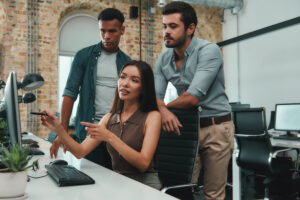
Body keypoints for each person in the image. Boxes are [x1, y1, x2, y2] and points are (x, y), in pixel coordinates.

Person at [154, 2, 234, 199]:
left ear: (190, 28)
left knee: (213, 193)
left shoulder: (209, 51)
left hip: (216, 126)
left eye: (173, 27)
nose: (166, 32)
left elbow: (191, 98)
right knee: (181, 188)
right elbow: (153, 97)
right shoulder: (164, 60)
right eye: (164, 26)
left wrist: (164, 108)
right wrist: (162, 110)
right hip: (187, 127)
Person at [42, 60, 162, 190]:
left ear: (144, 88)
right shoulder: (109, 118)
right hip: (119, 184)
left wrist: (110, 137)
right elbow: (80, 151)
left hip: (145, 186)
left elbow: (143, 164)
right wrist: (58, 128)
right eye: (122, 77)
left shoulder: (152, 116)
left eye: (134, 80)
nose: (125, 83)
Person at [50, 8, 131, 168]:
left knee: (117, 182)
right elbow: (69, 94)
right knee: (91, 179)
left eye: (112, 31)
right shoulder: (84, 56)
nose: (106, 36)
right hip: (89, 132)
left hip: (117, 134)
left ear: (122, 30)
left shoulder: (127, 62)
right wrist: (63, 132)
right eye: (102, 31)